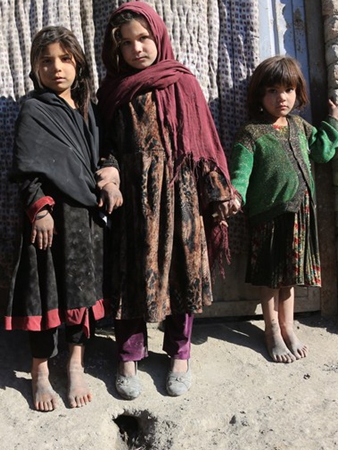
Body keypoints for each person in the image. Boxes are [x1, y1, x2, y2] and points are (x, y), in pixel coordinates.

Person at [96, 2, 237, 399]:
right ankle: (128, 355)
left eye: (143, 38)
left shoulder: (183, 83)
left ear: (157, 35)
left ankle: (179, 354)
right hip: (132, 203)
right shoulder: (113, 92)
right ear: (115, 49)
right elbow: (104, 147)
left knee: (182, 272)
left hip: (180, 196)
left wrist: (220, 192)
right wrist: (109, 174)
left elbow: (203, 144)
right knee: (130, 273)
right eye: (126, 43)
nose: (137, 48)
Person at [5, 26, 123, 412]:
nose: (57, 68)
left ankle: (75, 366)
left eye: (65, 59)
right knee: (47, 295)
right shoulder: (34, 109)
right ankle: (39, 372)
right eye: (46, 61)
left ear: (78, 63)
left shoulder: (88, 107)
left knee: (81, 295)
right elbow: (26, 170)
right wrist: (38, 207)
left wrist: (109, 173)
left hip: (85, 220)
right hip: (50, 220)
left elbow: (103, 151)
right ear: (35, 68)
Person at [228, 55, 338, 363]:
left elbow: (322, 153)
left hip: (301, 215)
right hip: (269, 217)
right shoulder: (252, 132)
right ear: (259, 96)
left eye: (288, 90)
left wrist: (332, 121)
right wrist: (235, 193)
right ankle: (271, 331)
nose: (282, 98)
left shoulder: (300, 126)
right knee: (270, 278)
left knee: (290, 277)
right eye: (272, 91)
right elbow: (241, 169)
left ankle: (289, 327)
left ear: (298, 93)